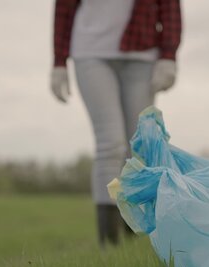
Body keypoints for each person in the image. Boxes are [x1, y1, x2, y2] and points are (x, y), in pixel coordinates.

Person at [50, 0, 183, 246]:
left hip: (142, 52)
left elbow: (169, 5)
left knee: (138, 148)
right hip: (91, 52)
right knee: (110, 144)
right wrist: (59, 60)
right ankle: (109, 241)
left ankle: (133, 232)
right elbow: (64, 6)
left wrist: (169, 54)